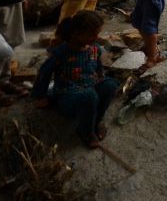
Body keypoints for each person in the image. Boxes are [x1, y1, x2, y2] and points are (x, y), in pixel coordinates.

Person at [31, 11, 117, 149]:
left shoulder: (95, 49)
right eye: (91, 34)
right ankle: (86, 132)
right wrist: (40, 96)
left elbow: (99, 71)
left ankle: (96, 122)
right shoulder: (61, 52)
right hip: (68, 96)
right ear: (76, 33)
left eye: (97, 33)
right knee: (90, 97)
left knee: (111, 85)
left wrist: (102, 81)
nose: (96, 37)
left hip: (90, 89)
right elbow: (44, 72)